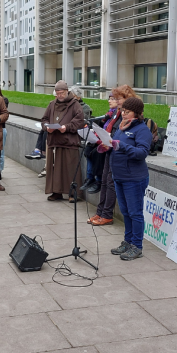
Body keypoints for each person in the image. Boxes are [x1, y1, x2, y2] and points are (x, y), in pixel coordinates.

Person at [99, 96, 152, 261]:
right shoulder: (122, 127)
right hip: (119, 176)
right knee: (126, 212)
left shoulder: (142, 130)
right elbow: (117, 146)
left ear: (137, 113)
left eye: (127, 112)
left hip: (134, 178)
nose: (123, 114)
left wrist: (121, 145)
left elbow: (142, 153)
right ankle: (128, 242)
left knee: (135, 213)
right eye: (122, 110)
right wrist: (107, 146)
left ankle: (137, 246)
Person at [88, 85, 137, 226]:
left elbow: (128, 136)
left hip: (120, 154)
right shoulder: (117, 112)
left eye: (118, 98)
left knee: (110, 183)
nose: (116, 101)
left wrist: (110, 139)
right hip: (110, 150)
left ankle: (107, 215)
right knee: (104, 181)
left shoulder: (129, 115)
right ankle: (100, 212)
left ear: (127, 98)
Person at [41, 81, 86, 202]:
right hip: (54, 140)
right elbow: (44, 119)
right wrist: (47, 127)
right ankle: (56, 192)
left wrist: (66, 127)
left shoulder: (75, 104)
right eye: (57, 93)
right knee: (55, 169)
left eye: (62, 93)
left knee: (71, 168)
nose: (59, 95)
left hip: (69, 141)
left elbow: (79, 120)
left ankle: (73, 193)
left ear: (67, 91)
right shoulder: (52, 104)